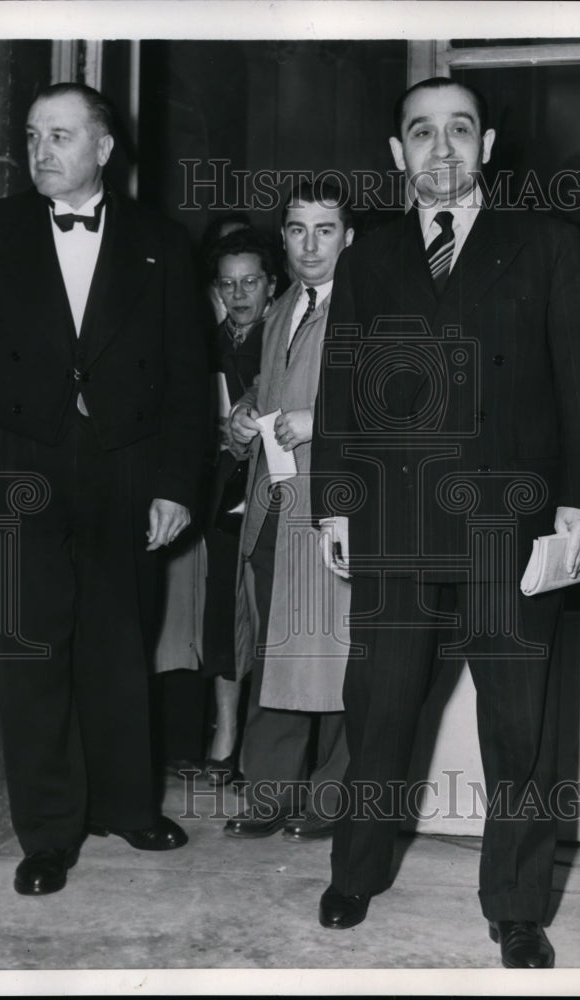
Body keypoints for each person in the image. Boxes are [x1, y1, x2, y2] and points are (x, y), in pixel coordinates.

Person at [309, 78, 580, 967]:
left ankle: (516, 904)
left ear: (486, 145)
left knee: (520, 725)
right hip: (396, 523)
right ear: (395, 153)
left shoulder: (546, 244)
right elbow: (341, 389)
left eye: (459, 131)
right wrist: (335, 502)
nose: (441, 151)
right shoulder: (368, 257)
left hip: (510, 527)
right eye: (421, 134)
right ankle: (355, 871)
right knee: (380, 708)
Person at [0, 82, 208, 896]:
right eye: (31, 136)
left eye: (60, 136)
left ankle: (126, 805)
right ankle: (47, 834)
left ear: (104, 149)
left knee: (118, 644)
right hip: (15, 463)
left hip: (124, 465)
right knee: (28, 649)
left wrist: (175, 484)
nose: (40, 152)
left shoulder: (159, 240)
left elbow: (189, 375)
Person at [224, 180, 354, 841]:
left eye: (324, 229)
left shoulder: (370, 310)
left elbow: (400, 409)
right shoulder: (279, 311)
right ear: (283, 239)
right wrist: (242, 420)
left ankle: (330, 804)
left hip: (332, 507)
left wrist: (319, 421)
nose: (309, 244)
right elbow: (263, 389)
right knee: (273, 654)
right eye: (297, 230)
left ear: (347, 237)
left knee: (332, 659)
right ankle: (266, 797)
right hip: (272, 505)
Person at [201, 228, 277, 783]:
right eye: (228, 284)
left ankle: (265, 748)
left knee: (272, 621)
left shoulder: (284, 336)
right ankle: (225, 738)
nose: (240, 293)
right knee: (224, 621)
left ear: (272, 285)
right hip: (219, 494)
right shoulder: (204, 341)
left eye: (250, 281)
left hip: (275, 494)